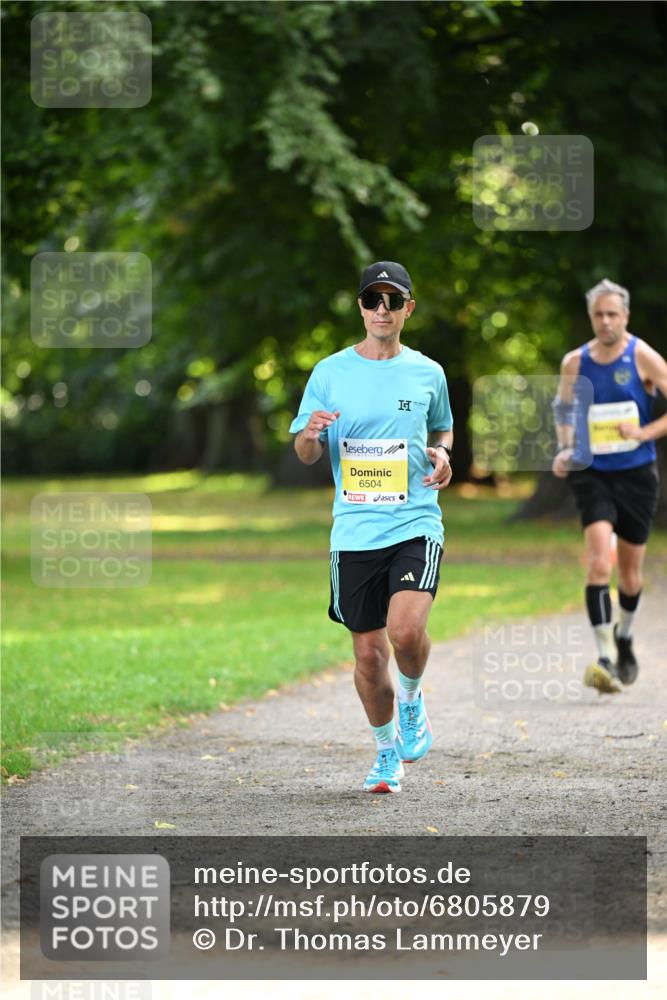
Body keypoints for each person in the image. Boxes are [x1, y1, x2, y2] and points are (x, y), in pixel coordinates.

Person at [290, 261, 453, 793]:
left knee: (405, 632)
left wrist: (443, 454)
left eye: (392, 300)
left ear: (408, 307)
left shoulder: (428, 372)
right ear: (360, 307)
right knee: (367, 653)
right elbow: (306, 452)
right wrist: (311, 433)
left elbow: (443, 427)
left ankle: (411, 697)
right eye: (371, 299)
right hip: (355, 531)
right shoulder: (329, 372)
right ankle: (387, 755)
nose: (380, 309)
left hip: (414, 519)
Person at [552, 278, 667, 693]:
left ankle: (625, 638)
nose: (605, 321)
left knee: (631, 573)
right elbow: (564, 410)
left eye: (612, 314)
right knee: (600, 561)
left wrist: (644, 432)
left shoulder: (642, 356)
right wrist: (566, 448)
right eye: (598, 314)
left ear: (625, 316)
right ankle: (603, 657)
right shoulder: (575, 362)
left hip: (637, 474)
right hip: (592, 471)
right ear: (591, 317)